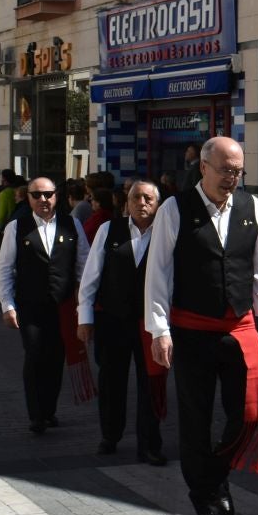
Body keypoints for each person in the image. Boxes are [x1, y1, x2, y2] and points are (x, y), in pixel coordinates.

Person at [144, 137, 258, 515]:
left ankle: (218, 476)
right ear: (203, 167)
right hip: (191, 331)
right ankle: (203, 503)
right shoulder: (174, 209)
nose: (232, 178)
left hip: (239, 329)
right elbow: (158, 273)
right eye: (225, 170)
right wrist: (160, 330)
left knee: (249, 415)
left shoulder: (250, 207)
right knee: (196, 421)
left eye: (238, 171)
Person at [78, 179, 168, 465]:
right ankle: (110, 436)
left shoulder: (167, 234)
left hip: (150, 324)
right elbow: (90, 277)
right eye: (136, 198)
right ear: (126, 203)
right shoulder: (109, 230)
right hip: (112, 320)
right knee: (111, 380)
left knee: (151, 384)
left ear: (158, 205)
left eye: (148, 199)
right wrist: (85, 317)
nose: (142, 203)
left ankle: (150, 444)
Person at [0, 176, 90, 435]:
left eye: (48, 194)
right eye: (36, 195)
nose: (43, 200)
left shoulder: (72, 224)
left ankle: (49, 410)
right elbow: (5, 269)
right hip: (31, 305)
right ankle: (36, 414)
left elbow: (84, 264)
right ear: (28, 198)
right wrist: (7, 305)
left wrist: (85, 302)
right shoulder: (16, 227)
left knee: (56, 357)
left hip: (62, 305)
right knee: (35, 355)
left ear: (56, 196)